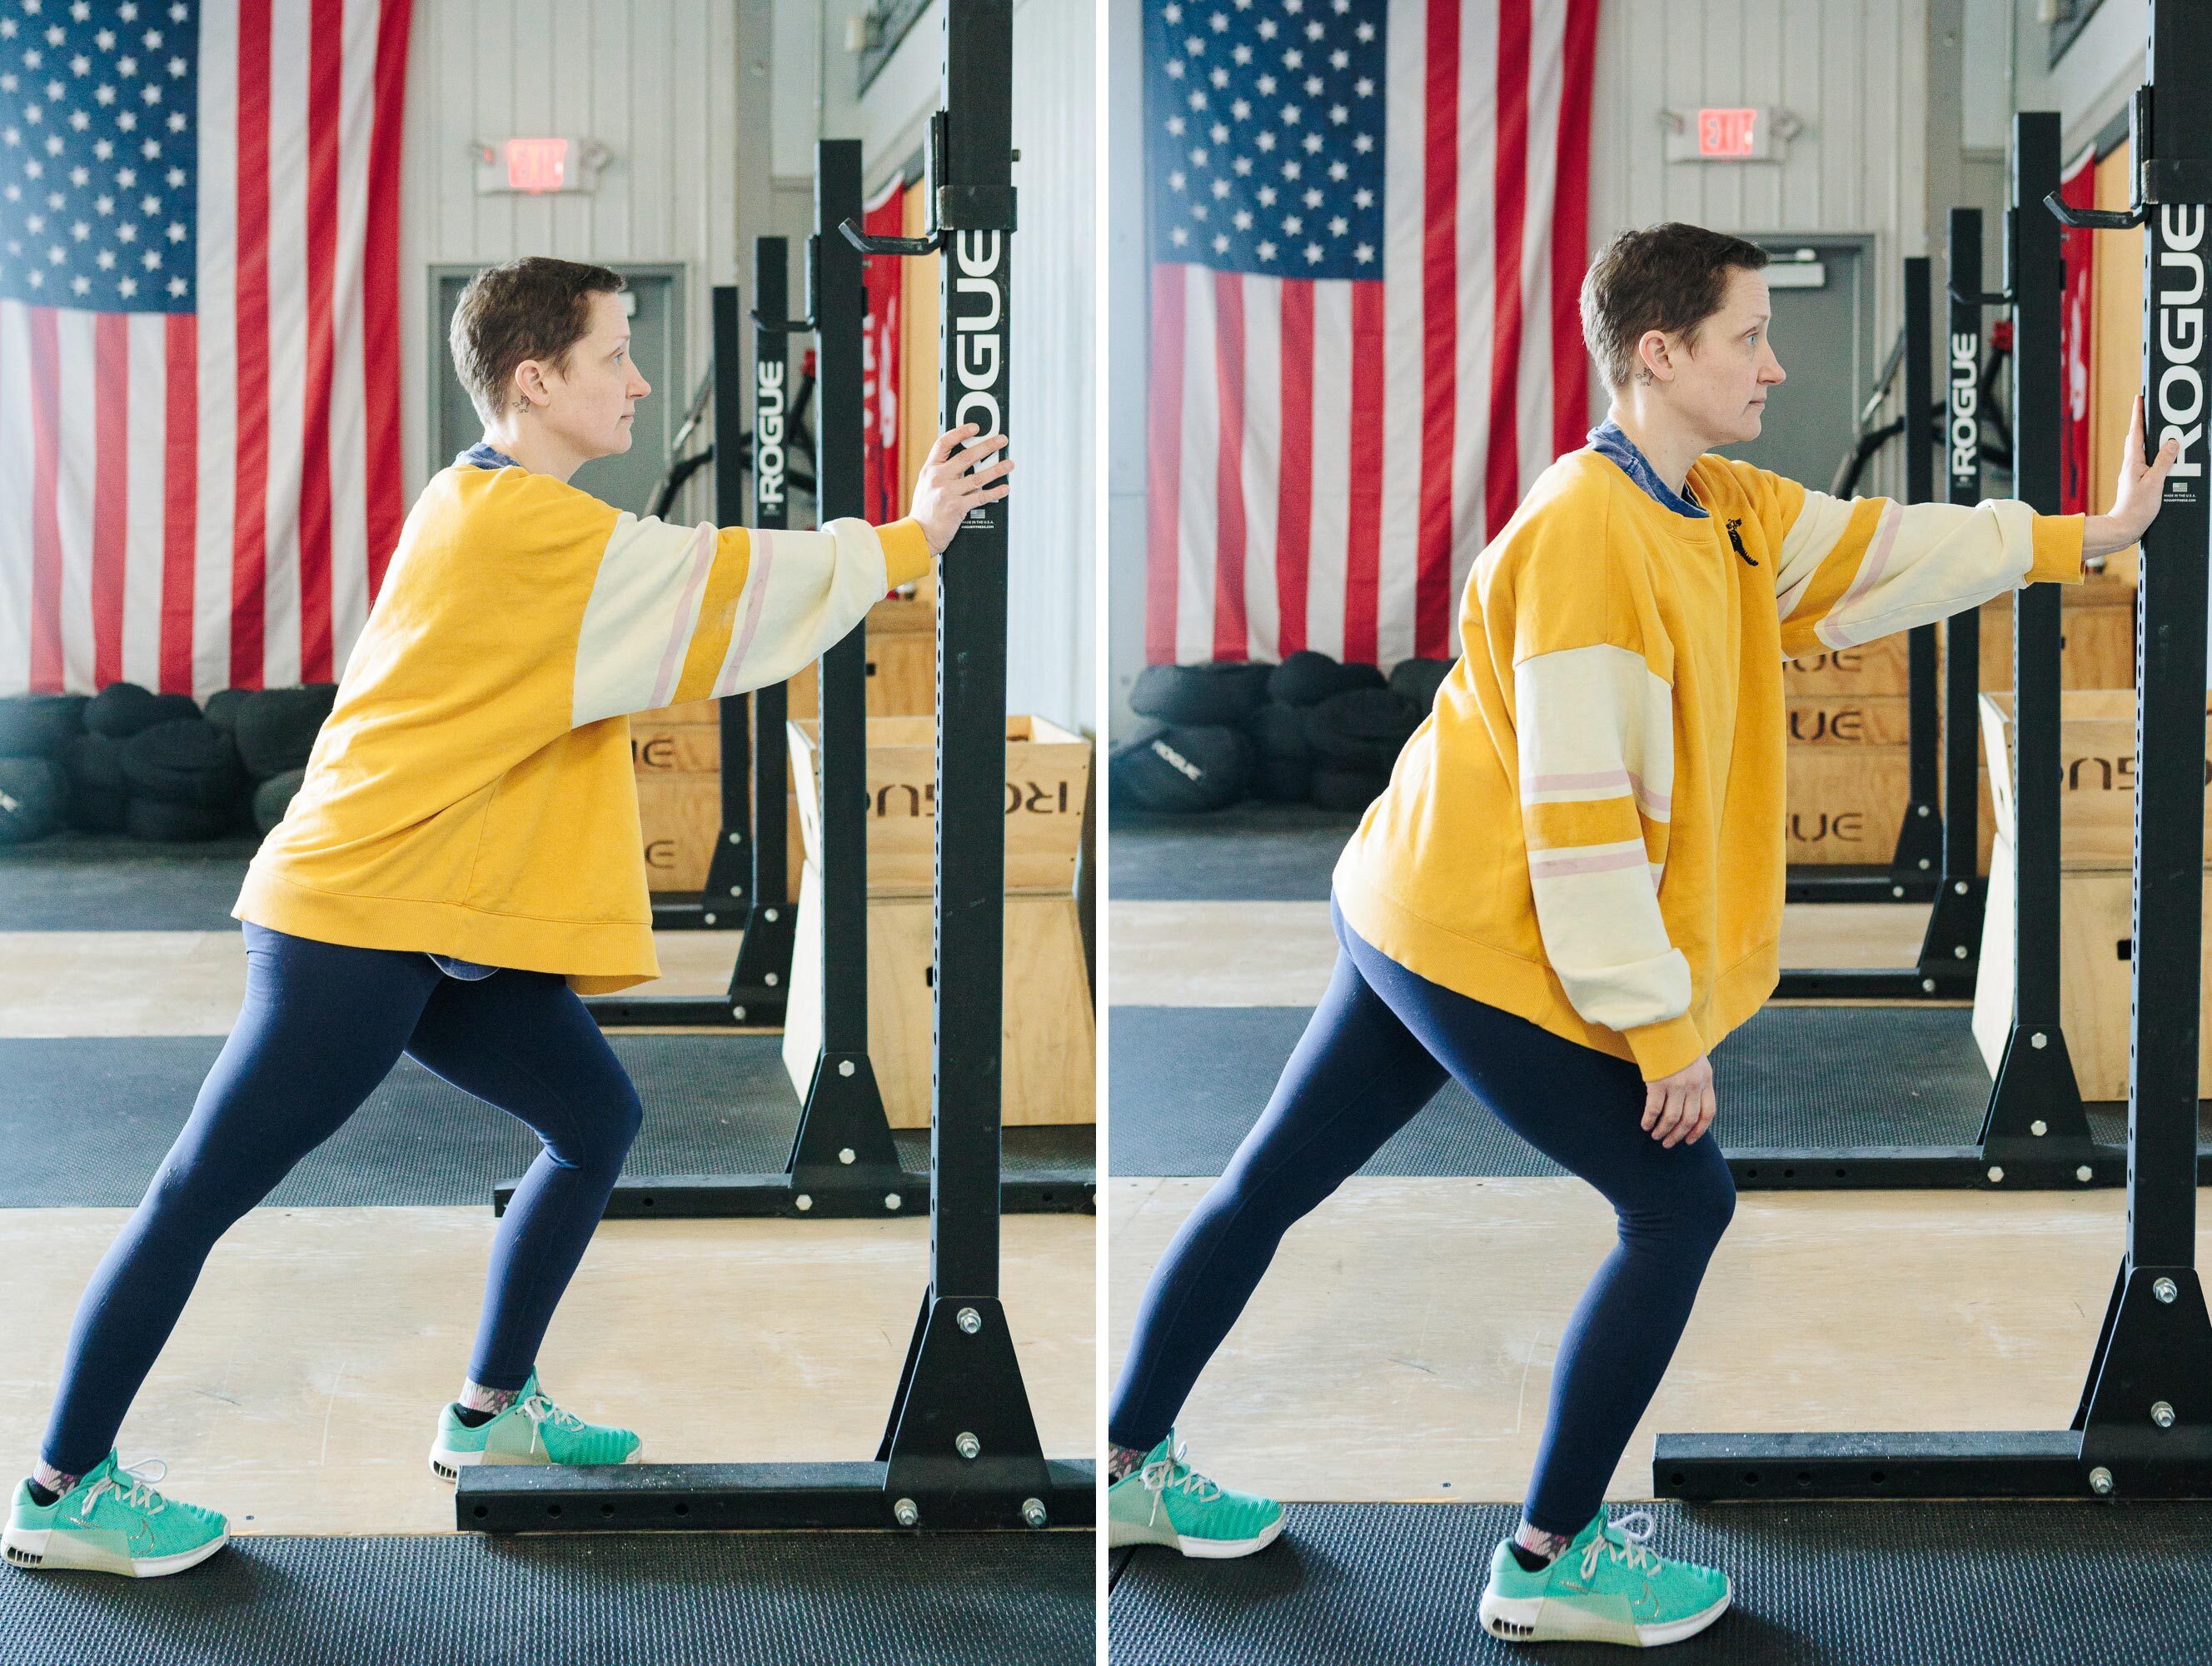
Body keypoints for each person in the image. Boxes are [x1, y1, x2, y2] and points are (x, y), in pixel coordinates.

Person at [1104, 222, 2176, 1649]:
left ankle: (1122, 1469)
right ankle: (1548, 1565)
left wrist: (2077, 541)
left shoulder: (1716, 503)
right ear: (1659, 355)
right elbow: (1580, 823)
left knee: (1270, 1180)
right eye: (1748, 337)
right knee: (1681, 1203)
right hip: (1474, 922)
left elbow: (1875, 548)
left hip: (1406, 897)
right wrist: (1657, 1031)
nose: (1775, 366)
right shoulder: (1586, 538)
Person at [2, 256, 1012, 1580]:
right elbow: (720, 585)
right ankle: (60, 1487)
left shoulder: (488, 494)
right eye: (615, 355)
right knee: (202, 1191)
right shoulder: (522, 528)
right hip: (358, 913)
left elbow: (692, 596)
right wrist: (909, 537)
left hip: (440, 909)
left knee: (596, 1120)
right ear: (536, 381)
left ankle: (489, 1413)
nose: (640, 380)